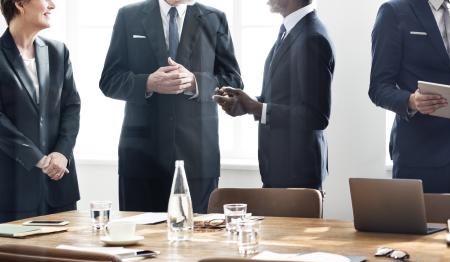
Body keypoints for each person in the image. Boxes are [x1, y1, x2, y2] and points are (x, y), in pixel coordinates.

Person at [99, 0, 242, 213]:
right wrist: (147, 82)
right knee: (142, 242)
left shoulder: (215, 17)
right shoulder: (128, 15)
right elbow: (109, 81)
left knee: (197, 239)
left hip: (198, 155)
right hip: (141, 157)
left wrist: (195, 82)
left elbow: (234, 81)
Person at [369, 0, 450, 194]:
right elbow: (378, 87)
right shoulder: (393, 12)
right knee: (421, 225)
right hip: (419, 155)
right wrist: (410, 101)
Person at [213, 0, 334, 190]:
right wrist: (247, 105)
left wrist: (257, 108)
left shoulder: (312, 37)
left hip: (297, 177)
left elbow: (317, 116)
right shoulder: (292, 30)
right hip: (280, 172)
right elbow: (284, 97)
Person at [0, 0, 80, 223]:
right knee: (16, 258)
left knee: (64, 256)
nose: (52, 5)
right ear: (19, 4)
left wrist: (63, 153)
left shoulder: (58, 51)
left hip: (58, 186)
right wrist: (39, 159)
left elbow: (72, 106)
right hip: (12, 190)